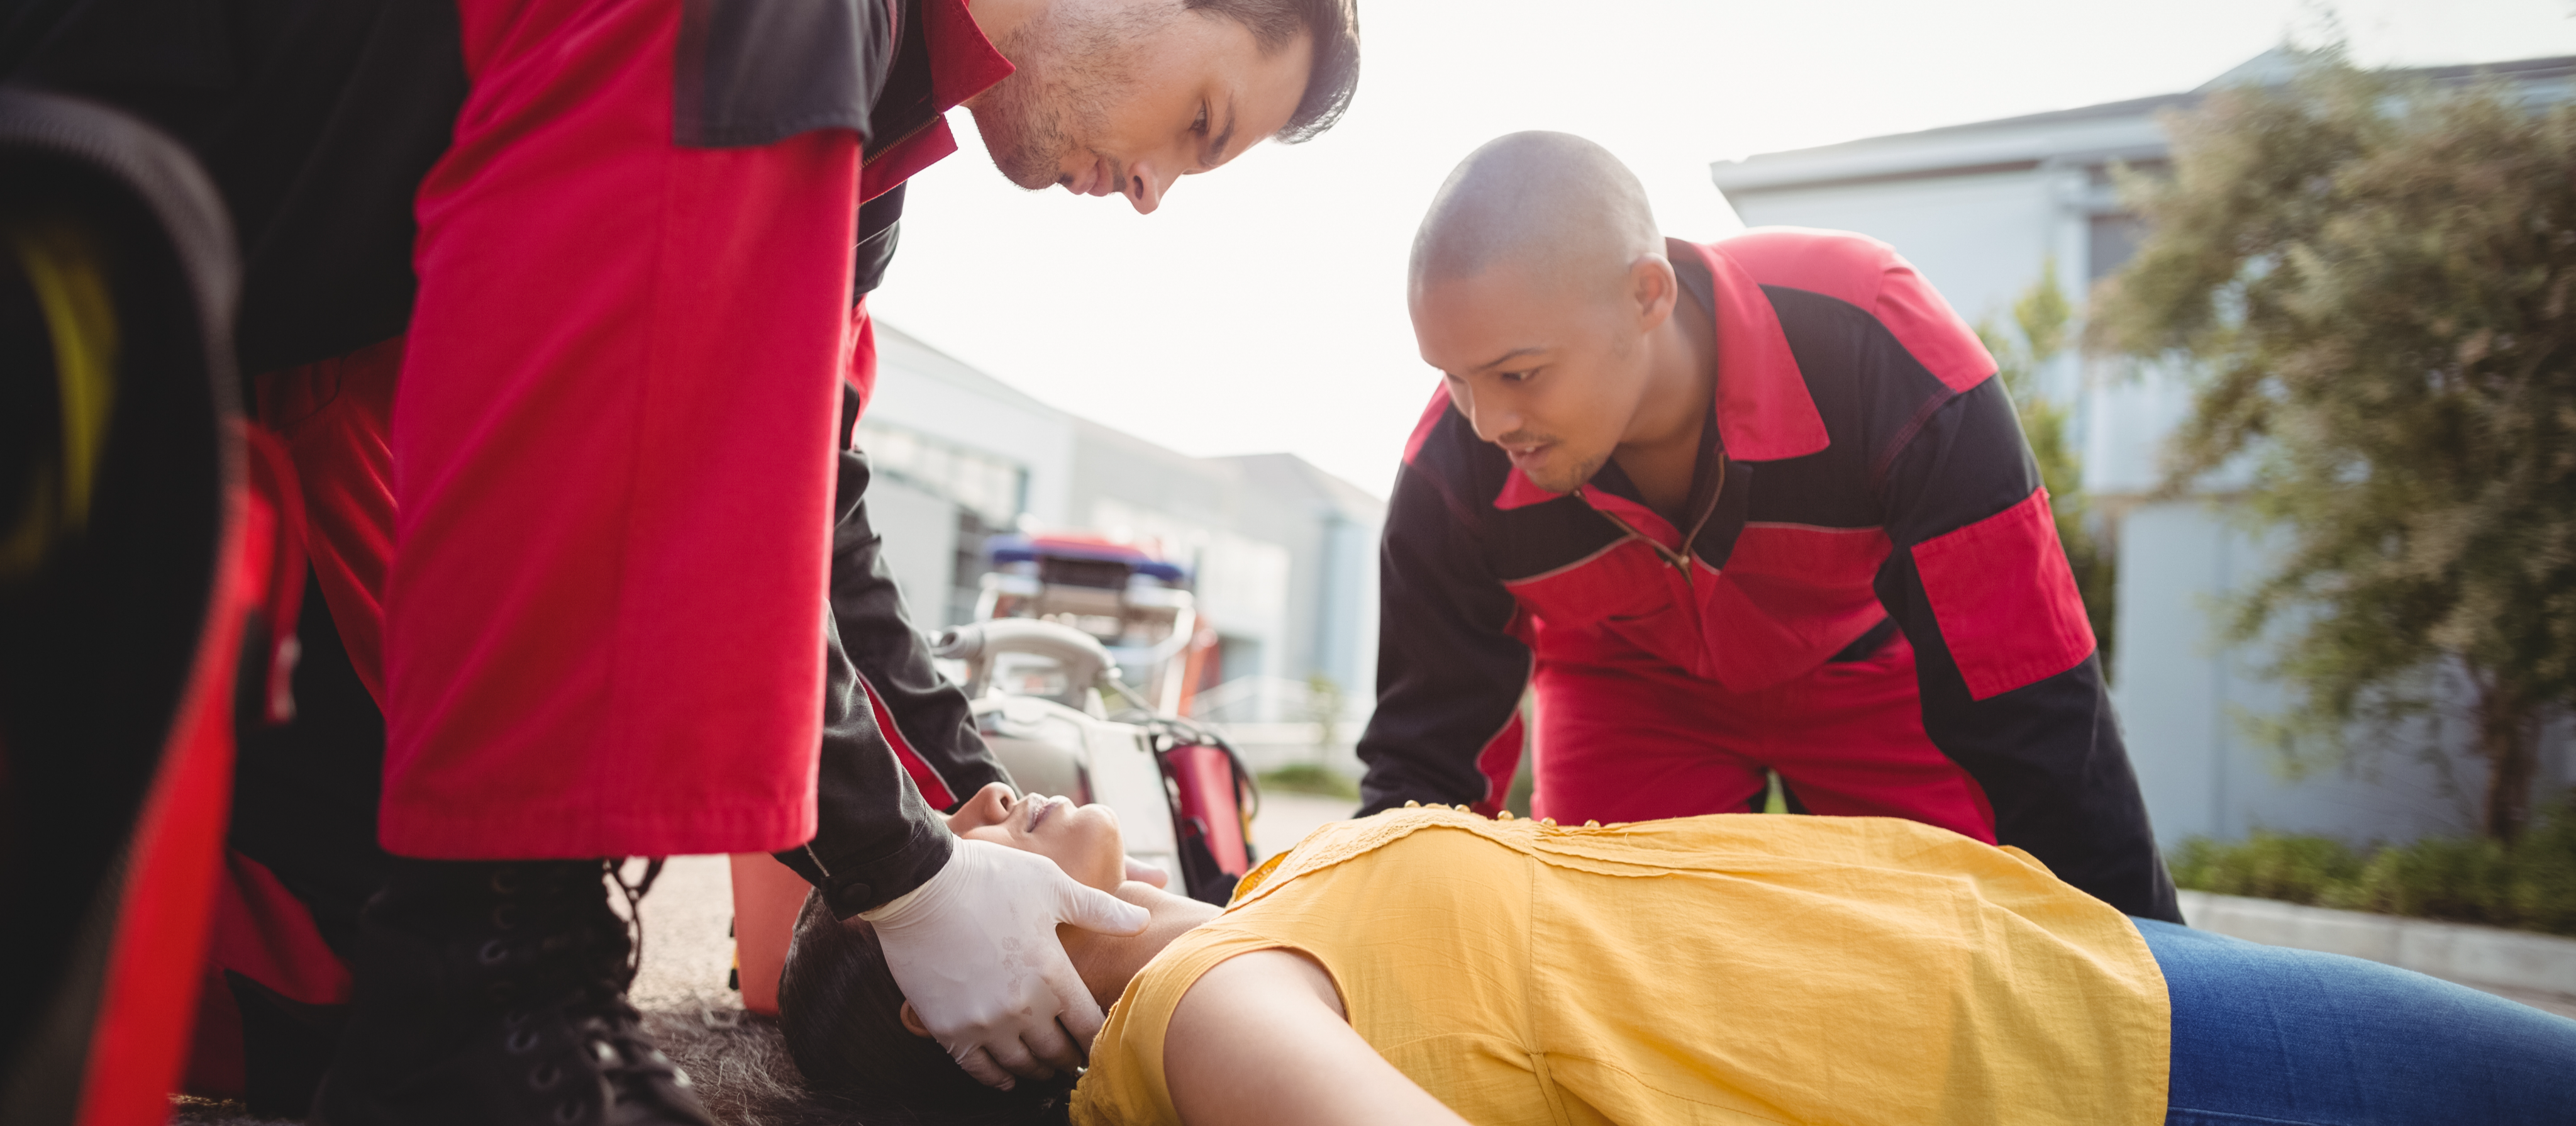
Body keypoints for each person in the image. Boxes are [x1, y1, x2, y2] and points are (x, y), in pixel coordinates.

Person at [0, 0, 1360, 1121]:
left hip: (211, 352)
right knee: (453, 977)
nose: (1148, 196)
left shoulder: (867, 155)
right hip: (77, 251)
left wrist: (963, 823)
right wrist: (898, 870)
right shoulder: (792, 28)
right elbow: (672, 432)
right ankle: (504, 963)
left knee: (334, 979)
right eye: (1196, 125)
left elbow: (810, 524)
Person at [1357, 130, 2179, 922]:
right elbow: (1424, 769)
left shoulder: (1881, 348)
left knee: (1960, 944)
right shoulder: (1449, 468)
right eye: (1456, 379)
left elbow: (2029, 697)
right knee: (1619, 965)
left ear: (1648, 294)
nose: (1489, 420)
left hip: (1867, 668)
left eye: (1519, 373)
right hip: (1627, 691)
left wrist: (2174, 995)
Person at [780, 785, 2576, 1126]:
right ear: (983, 1010)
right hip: (2041, 1061)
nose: (994, 800)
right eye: (969, 843)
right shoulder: (1208, 1008)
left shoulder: (1228, 938)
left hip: (2033, 968)